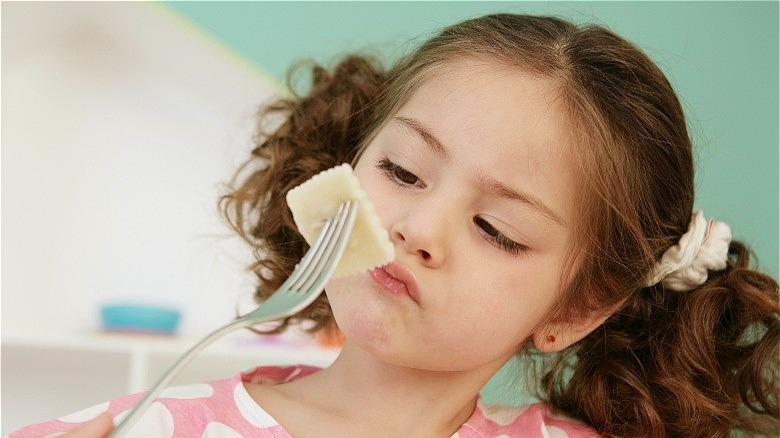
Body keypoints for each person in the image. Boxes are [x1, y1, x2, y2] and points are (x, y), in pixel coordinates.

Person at [12, 13, 779, 438]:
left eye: (496, 228)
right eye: (404, 173)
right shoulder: (140, 432)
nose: (417, 227)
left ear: (577, 306)